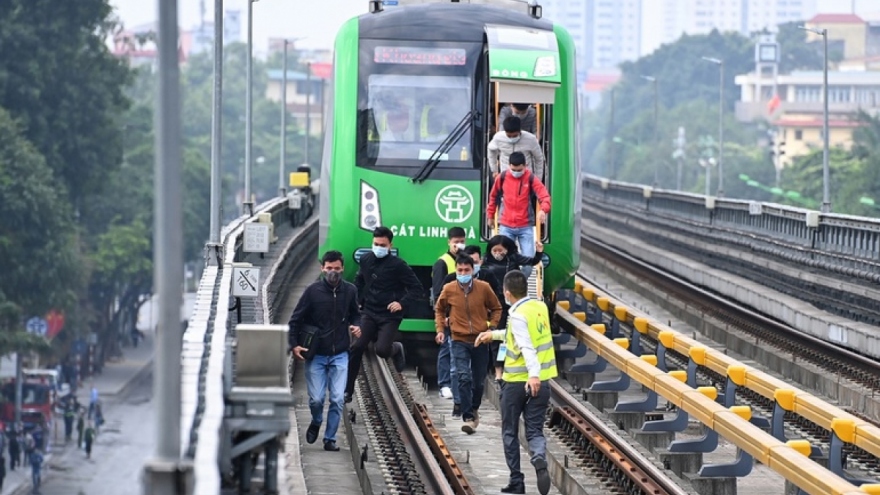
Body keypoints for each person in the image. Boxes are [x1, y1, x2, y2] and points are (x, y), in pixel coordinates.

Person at [475, 270, 556, 495]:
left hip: (518, 383)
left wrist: (532, 375)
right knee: (535, 430)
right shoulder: (539, 307)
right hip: (543, 381)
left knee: (509, 431)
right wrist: (493, 335)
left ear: (507, 292)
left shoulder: (518, 314)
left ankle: (517, 482)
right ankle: (538, 456)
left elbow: (527, 346)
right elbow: (518, 335)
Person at [289, 250, 362, 452]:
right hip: (317, 354)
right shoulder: (312, 292)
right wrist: (294, 345)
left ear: (342, 268)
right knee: (317, 399)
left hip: (340, 353)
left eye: (337, 269)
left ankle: (330, 438)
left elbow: (356, 314)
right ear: (322, 268)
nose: (333, 272)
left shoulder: (350, 291)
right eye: (329, 268)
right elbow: (295, 320)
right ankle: (316, 420)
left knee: (338, 398)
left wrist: (357, 325)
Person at [345, 226, 423, 403]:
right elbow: (360, 280)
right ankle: (347, 390)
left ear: (390, 245)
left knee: (381, 350)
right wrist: (357, 299)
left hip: (389, 315)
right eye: (376, 243)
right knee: (357, 347)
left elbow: (416, 288)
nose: (378, 247)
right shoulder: (365, 259)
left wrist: (401, 303)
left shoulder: (398, 265)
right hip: (369, 312)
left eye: (382, 244)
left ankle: (396, 348)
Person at [434, 255, 502, 435]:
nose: (463, 274)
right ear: (455, 270)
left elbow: (497, 308)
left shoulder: (484, 288)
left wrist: (491, 327)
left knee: (478, 381)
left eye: (466, 270)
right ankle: (468, 417)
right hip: (458, 339)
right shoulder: (449, 289)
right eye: (460, 270)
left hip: (480, 339)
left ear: (473, 271)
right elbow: (439, 308)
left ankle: (474, 407)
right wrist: (441, 329)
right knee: (463, 375)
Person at [481, 235, 545, 382]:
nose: (497, 253)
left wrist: (539, 252)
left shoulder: (514, 258)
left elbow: (532, 261)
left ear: (507, 249)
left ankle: (510, 367)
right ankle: (498, 371)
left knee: (510, 336)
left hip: (511, 303)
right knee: (495, 337)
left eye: (500, 250)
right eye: (494, 250)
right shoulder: (485, 261)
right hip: (492, 305)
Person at [485, 151, 551, 279]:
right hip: (506, 225)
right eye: (513, 169)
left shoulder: (531, 178)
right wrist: (490, 216)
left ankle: (518, 283)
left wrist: (543, 210)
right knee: (503, 260)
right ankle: (505, 286)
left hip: (525, 226)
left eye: (519, 169)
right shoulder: (502, 177)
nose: (516, 172)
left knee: (528, 264)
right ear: (509, 165)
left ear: (525, 166)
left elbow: (545, 196)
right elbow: (492, 198)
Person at [432, 227, 467, 404]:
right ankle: (444, 384)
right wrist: (442, 316)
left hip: (462, 315)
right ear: (449, 242)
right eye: (455, 242)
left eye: (461, 241)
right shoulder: (443, 263)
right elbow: (438, 293)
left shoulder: (465, 262)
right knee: (446, 349)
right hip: (448, 315)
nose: (459, 245)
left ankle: (456, 384)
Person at [487, 116, 545, 182]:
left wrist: (537, 178)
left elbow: (539, 159)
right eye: (509, 136)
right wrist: (494, 170)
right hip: (506, 176)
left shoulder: (531, 139)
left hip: (526, 177)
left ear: (520, 130)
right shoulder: (498, 137)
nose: (511, 138)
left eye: (514, 136)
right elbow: (491, 151)